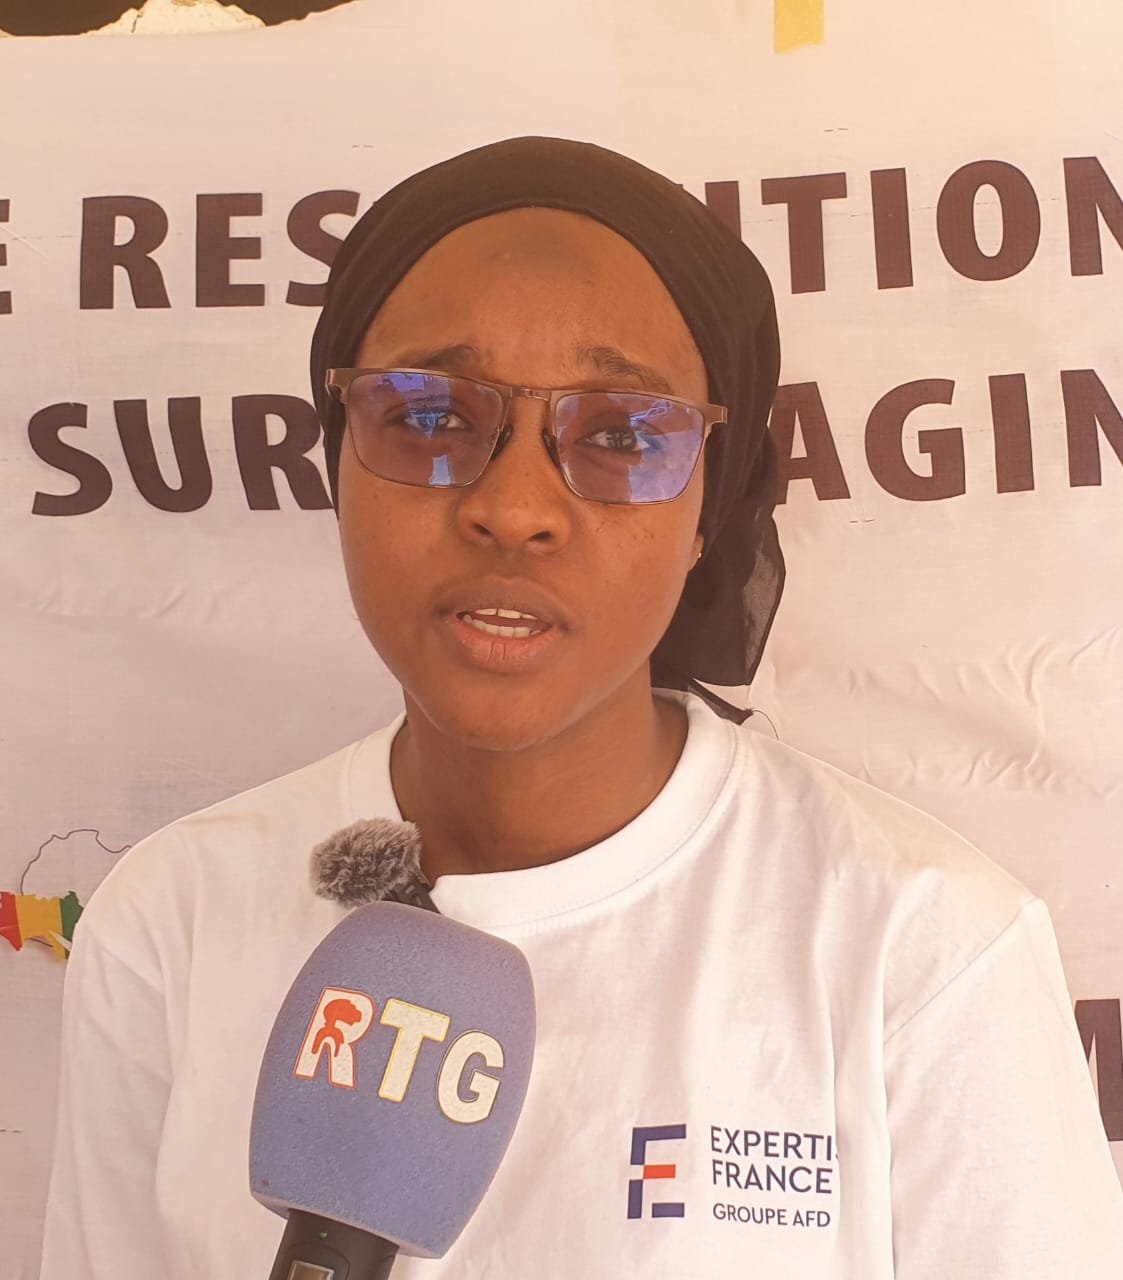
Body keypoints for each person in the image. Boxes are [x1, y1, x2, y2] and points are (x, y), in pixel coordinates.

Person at [40, 136, 1123, 1278]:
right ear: (337, 458)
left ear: (709, 509)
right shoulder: (171, 920)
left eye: (619, 436)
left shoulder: (922, 945)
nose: (514, 509)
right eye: (428, 415)